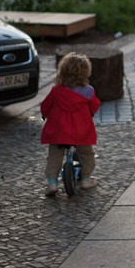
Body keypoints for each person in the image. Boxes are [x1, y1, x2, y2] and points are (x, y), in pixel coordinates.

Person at [41, 52, 101, 196]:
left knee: (54, 155)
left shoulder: (56, 91)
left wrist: (45, 114)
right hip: (81, 130)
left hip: (59, 131)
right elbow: (94, 106)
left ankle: (52, 183)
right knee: (86, 153)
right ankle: (86, 179)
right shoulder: (88, 91)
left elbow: (45, 106)